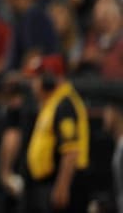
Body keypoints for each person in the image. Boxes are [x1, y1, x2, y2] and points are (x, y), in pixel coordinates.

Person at [22, 54, 90, 213]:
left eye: (36, 79)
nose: (33, 85)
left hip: (65, 181)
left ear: (50, 80)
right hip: (49, 182)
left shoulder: (65, 104)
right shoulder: (53, 102)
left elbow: (71, 150)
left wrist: (62, 187)